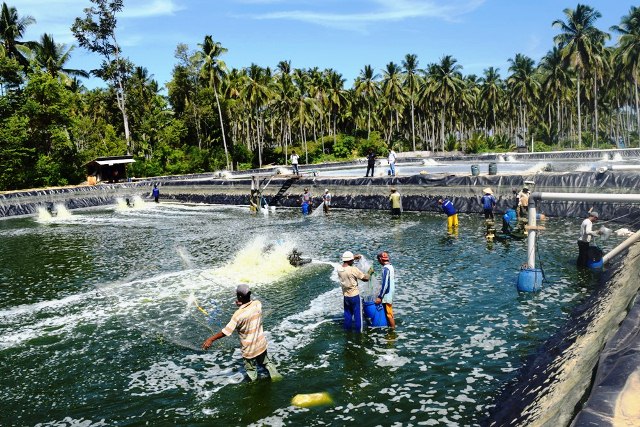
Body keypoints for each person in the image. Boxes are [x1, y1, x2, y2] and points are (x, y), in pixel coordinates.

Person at [201, 284, 281, 382]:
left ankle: (254, 388)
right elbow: (249, 306)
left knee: (251, 371)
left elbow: (226, 332)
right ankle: (277, 378)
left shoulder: (237, 315)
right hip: (261, 344)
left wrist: (211, 339)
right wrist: (242, 304)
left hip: (249, 349)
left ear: (239, 297)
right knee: (267, 363)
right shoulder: (258, 304)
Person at [338, 251, 371, 332]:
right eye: (352, 260)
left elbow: (347, 263)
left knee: (347, 315)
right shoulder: (353, 269)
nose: (353, 261)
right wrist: (370, 272)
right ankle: (359, 333)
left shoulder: (339, 269)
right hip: (355, 296)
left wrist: (354, 258)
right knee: (358, 316)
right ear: (349, 260)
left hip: (346, 296)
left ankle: (347, 332)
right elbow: (365, 279)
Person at [375, 251, 396, 329]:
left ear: (380, 259)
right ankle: (390, 328)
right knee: (389, 312)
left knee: (389, 314)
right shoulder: (391, 266)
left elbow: (385, 284)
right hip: (390, 293)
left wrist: (380, 296)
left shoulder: (385, 269)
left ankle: (393, 331)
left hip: (387, 295)